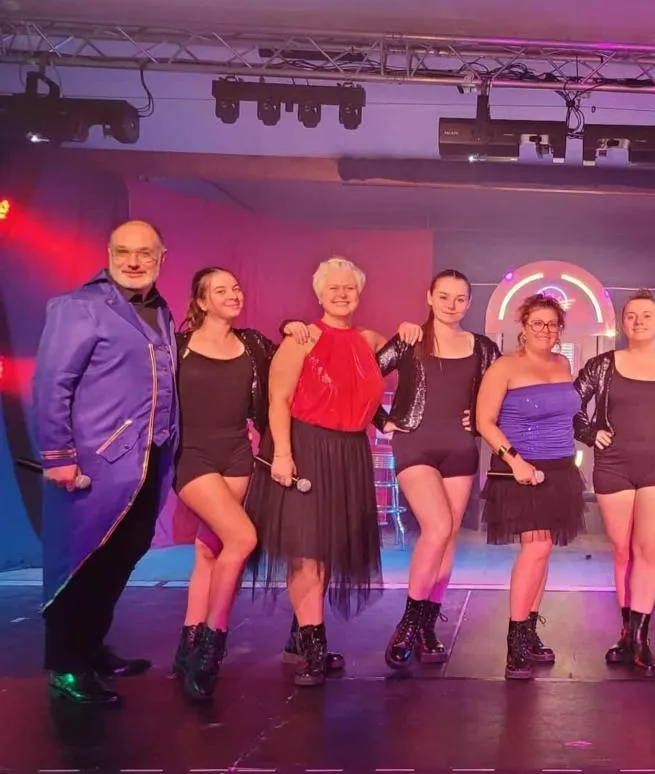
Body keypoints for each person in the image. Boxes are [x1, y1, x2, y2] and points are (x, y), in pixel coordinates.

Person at [33, 220, 179, 705]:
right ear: (109, 254)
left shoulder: (160, 310)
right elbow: (52, 385)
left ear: (161, 258)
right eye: (123, 251)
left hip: (146, 462)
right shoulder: (78, 307)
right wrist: (58, 456)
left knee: (121, 555)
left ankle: (91, 647)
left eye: (144, 253)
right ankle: (65, 663)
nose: (133, 261)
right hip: (92, 466)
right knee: (80, 562)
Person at [244, 257, 388, 687]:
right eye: (334, 288)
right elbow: (279, 400)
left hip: (349, 452)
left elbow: (409, 368)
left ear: (360, 294)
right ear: (319, 293)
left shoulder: (369, 340)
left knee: (325, 550)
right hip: (306, 448)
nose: (342, 295)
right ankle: (313, 649)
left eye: (349, 288)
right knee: (306, 550)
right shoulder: (301, 339)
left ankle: (301, 638)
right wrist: (283, 455)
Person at [170, 267, 312, 701]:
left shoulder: (251, 344)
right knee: (243, 538)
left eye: (235, 288)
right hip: (191, 456)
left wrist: (291, 325)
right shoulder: (177, 346)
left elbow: (289, 369)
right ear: (201, 301)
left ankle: (188, 644)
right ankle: (212, 648)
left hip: (236, 456)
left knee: (209, 550)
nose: (233, 294)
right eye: (221, 290)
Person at [374, 269, 500, 670]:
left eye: (460, 298)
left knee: (447, 537)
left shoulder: (483, 348)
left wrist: (481, 418)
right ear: (429, 297)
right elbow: (363, 377)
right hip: (415, 442)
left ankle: (427, 626)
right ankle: (409, 623)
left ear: (469, 303)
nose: (451, 305)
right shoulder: (410, 339)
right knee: (438, 526)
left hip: (460, 448)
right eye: (444, 296)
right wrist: (382, 420)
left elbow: (504, 391)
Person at [573, 289, 655, 677]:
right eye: (631, 316)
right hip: (614, 466)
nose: (639, 321)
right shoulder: (602, 365)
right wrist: (590, 433)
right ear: (622, 323)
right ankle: (625, 634)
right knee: (623, 551)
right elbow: (569, 404)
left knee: (648, 551)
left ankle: (642, 641)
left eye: (646, 315)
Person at [475, 293, 585, 681]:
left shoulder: (563, 363)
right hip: (520, 467)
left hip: (559, 469)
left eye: (552, 324)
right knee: (536, 548)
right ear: (523, 326)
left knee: (543, 551)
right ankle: (515, 644)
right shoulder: (504, 367)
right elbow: (485, 422)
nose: (545, 330)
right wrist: (515, 460)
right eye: (537, 323)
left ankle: (529, 633)